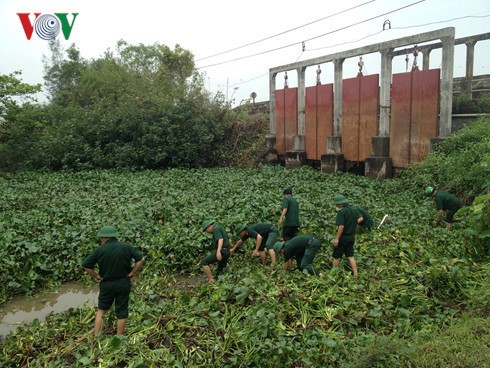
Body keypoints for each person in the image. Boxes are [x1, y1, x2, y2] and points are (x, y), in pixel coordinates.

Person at [78, 225, 145, 342]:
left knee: (101, 311)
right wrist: (133, 272)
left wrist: (96, 275)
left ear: (104, 238)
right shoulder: (126, 247)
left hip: (107, 284)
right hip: (123, 282)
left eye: (101, 238)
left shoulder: (100, 250)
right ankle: (118, 338)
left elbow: (86, 265)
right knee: (122, 311)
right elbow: (141, 259)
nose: (100, 240)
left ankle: (97, 337)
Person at [331, 194, 359, 279]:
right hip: (351, 237)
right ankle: (355, 274)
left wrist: (336, 239)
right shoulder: (354, 210)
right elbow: (357, 224)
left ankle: (333, 275)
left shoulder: (342, 212)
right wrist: (353, 234)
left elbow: (341, 226)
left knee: (336, 256)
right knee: (350, 256)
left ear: (341, 204)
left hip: (343, 237)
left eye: (337, 204)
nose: (336, 205)